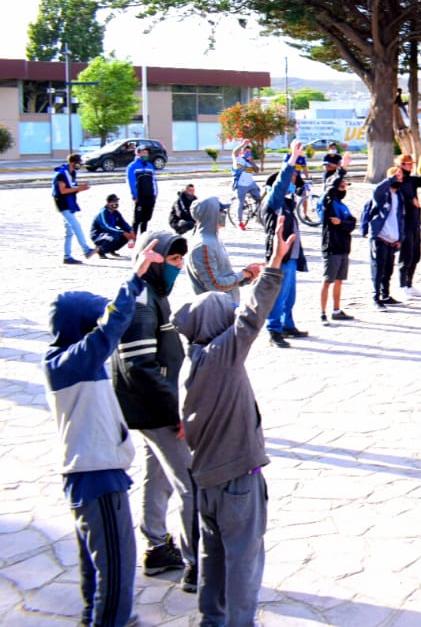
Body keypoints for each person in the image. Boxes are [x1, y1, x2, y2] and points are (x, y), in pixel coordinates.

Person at [174, 217, 289, 627]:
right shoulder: (222, 359)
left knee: (214, 555)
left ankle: (212, 619)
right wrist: (275, 263)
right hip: (238, 481)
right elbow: (252, 317)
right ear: (219, 328)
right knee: (244, 559)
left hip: (206, 481)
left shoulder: (195, 360)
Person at [43, 242, 162, 627]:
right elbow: (110, 328)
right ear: (79, 326)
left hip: (89, 475)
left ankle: (92, 618)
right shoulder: (72, 361)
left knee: (96, 567)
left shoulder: (66, 360)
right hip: (97, 478)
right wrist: (134, 278)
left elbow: (107, 327)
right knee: (116, 571)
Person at [111, 230, 198, 592]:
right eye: (173, 260)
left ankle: (157, 545)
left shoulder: (151, 294)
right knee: (190, 482)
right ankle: (199, 562)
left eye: (180, 260)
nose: (178, 267)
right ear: (154, 258)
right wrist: (172, 412)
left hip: (151, 409)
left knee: (157, 473)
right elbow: (139, 366)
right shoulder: (143, 302)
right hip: (156, 409)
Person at [261, 140, 309, 348]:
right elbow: (280, 186)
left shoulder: (288, 205)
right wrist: (290, 162)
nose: (293, 181)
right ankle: (274, 330)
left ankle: (287, 325)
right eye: (291, 178)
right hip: (279, 257)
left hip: (291, 256)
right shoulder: (273, 204)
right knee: (278, 296)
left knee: (289, 296)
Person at [186, 196, 261, 304]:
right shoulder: (203, 246)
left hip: (226, 307)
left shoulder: (213, 239)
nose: (224, 213)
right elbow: (215, 285)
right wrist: (243, 274)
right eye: (221, 210)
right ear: (211, 214)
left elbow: (225, 276)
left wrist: (248, 274)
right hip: (216, 312)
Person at [362, 165, 406, 310]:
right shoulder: (383, 194)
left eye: (400, 175)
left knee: (388, 270)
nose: (399, 178)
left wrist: (400, 237)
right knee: (378, 268)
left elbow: (400, 218)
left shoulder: (399, 195)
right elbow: (376, 190)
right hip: (380, 238)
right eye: (396, 175)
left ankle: (385, 294)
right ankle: (376, 297)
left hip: (393, 239)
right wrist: (391, 178)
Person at [320, 175, 357, 324]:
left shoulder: (342, 205)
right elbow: (341, 223)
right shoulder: (327, 203)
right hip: (332, 246)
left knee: (339, 280)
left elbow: (352, 223)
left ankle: (336, 310)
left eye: (345, 187)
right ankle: (322, 313)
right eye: (341, 187)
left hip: (343, 246)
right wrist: (340, 172)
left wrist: (341, 222)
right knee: (328, 280)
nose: (344, 189)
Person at [393, 152, 421, 299]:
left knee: (415, 254)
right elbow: (396, 200)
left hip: (415, 221)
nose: (410, 167)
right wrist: (409, 203)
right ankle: (402, 284)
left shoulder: (411, 181)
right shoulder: (397, 181)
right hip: (403, 222)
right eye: (408, 164)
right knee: (405, 255)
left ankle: (410, 283)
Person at [55, 153, 98, 265]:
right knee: (76, 226)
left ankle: (67, 256)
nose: (79, 165)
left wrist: (79, 187)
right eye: (78, 163)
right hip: (62, 204)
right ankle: (86, 250)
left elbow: (71, 187)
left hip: (69, 204)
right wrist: (79, 188)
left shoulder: (72, 173)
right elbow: (63, 191)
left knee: (69, 231)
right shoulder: (61, 174)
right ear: (72, 163)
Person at [127, 144, 160, 235]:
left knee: (146, 220)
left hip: (150, 197)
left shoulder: (150, 166)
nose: (145, 154)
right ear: (137, 154)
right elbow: (132, 182)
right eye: (143, 153)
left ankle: (143, 238)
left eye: (147, 153)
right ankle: (133, 239)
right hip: (140, 197)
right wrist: (135, 196)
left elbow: (154, 181)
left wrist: (155, 194)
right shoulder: (132, 166)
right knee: (137, 220)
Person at [91, 193, 135, 258]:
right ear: (108, 203)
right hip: (98, 235)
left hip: (109, 233)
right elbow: (106, 227)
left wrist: (130, 231)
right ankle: (101, 251)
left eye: (116, 202)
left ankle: (112, 249)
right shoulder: (103, 213)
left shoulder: (116, 213)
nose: (115, 204)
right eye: (113, 202)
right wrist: (122, 232)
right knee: (114, 236)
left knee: (125, 235)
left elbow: (123, 223)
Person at [231, 143, 262, 230]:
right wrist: (243, 144)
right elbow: (234, 152)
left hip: (251, 183)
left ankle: (258, 217)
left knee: (260, 199)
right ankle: (240, 222)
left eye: (249, 152)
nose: (248, 153)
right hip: (241, 185)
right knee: (240, 204)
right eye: (246, 151)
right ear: (242, 152)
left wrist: (252, 162)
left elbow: (257, 171)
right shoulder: (238, 160)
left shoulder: (249, 162)